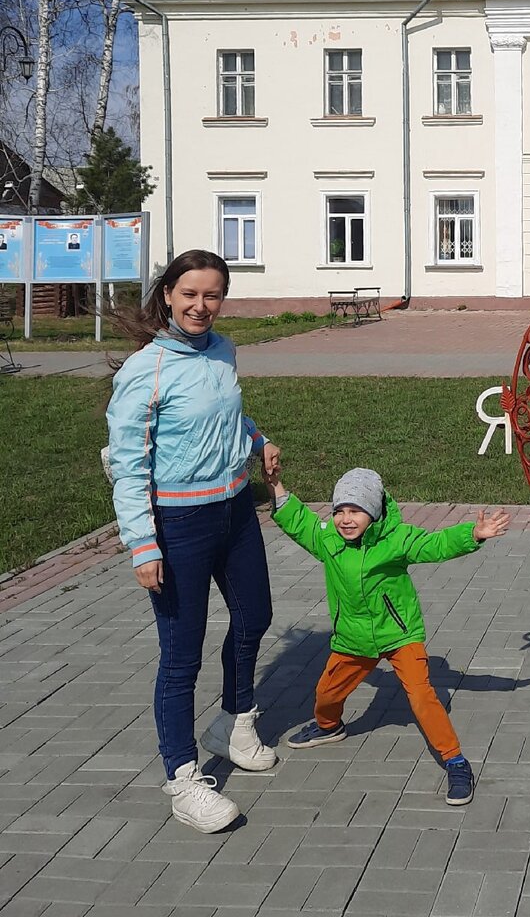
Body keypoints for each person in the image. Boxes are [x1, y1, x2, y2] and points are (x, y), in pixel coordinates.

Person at [106, 249, 280, 834]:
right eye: (189, 295)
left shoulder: (224, 350)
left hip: (233, 511)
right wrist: (142, 545)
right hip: (176, 526)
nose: (201, 306)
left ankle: (233, 722)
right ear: (167, 297)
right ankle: (183, 779)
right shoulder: (144, 370)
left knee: (255, 618)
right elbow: (129, 465)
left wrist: (257, 439)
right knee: (182, 655)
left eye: (212, 295)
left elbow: (227, 412)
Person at [267, 466, 509, 806]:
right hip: (353, 640)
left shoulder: (396, 539)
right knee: (325, 694)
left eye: (356, 511)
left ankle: (455, 760)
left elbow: (436, 544)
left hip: (399, 635)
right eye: (340, 511)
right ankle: (329, 727)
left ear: (375, 513)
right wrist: (276, 485)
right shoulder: (328, 540)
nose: (346, 520)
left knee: (422, 697)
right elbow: (299, 521)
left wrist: (475, 534)